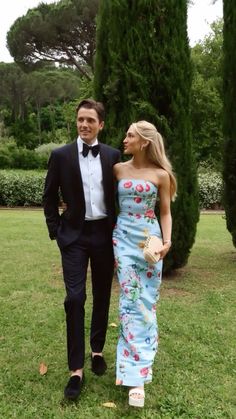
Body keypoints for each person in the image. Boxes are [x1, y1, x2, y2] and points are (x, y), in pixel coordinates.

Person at [43, 99, 121, 401]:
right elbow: (49, 197)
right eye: (80, 119)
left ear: (100, 124)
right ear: (76, 122)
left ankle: (97, 350)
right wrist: (56, 231)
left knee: (103, 294)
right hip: (73, 236)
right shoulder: (60, 156)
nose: (84, 124)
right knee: (75, 298)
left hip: (104, 234)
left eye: (90, 120)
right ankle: (76, 370)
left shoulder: (113, 156)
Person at [112, 120, 177, 408]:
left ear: (144, 142)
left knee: (146, 303)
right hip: (123, 241)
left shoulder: (161, 175)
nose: (124, 139)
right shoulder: (118, 170)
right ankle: (132, 376)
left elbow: (165, 212)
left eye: (130, 135)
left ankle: (141, 367)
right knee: (130, 300)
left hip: (150, 244)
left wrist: (167, 242)